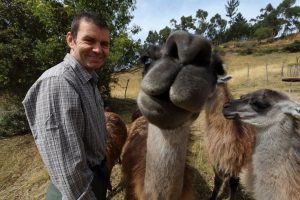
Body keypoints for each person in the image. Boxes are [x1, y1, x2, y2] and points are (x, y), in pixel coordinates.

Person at [22, 11, 111, 200]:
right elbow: (69, 170)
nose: (98, 49)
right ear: (71, 40)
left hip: (95, 178)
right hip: (78, 191)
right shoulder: (59, 82)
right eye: (89, 40)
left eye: (104, 44)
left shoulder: (88, 80)